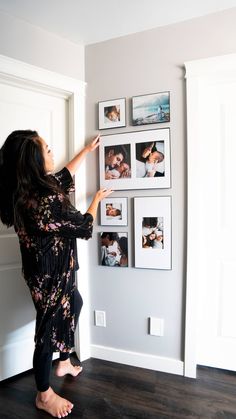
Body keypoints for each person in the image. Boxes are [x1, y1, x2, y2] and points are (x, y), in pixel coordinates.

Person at [0, 130, 113, 419]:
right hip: (48, 276)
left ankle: (63, 361)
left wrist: (87, 150)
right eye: (47, 149)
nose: (52, 152)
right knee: (46, 332)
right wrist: (97, 199)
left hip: (55, 268)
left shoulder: (32, 186)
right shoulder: (44, 200)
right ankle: (43, 394)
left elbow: (65, 175)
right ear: (34, 160)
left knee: (74, 304)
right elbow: (85, 227)